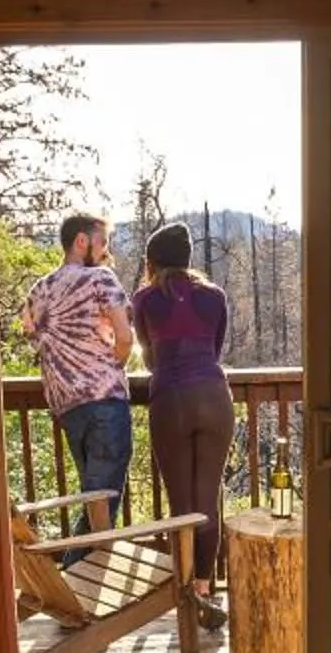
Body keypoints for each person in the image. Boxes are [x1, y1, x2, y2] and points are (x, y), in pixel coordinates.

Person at [132, 221, 235, 627]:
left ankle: (188, 595)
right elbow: (214, 349)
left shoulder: (144, 299)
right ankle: (207, 591)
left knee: (182, 507)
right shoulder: (214, 296)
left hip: (170, 398)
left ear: (152, 262)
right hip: (213, 395)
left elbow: (150, 358)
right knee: (208, 499)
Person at [18, 212, 133, 533]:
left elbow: (33, 340)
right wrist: (113, 365)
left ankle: (80, 576)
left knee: (93, 500)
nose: (106, 252)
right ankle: (74, 575)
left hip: (67, 409)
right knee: (102, 505)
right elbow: (125, 338)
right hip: (104, 403)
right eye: (102, 243)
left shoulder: (38, 291)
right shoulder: (100, 279)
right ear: (81, 241)